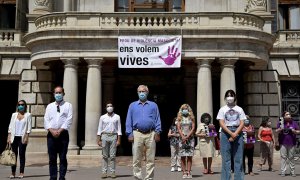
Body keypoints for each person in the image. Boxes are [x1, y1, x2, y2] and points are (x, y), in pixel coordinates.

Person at [125, 85, 162, 180]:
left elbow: (157, 119)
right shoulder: (132, 105)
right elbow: (129, 120)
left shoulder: (153, 105)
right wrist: (129, 133)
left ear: (147, 92)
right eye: (140, 91)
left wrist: (158, 132)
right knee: (136, 158)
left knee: (150, 158)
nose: (142, 93)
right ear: (137, 93)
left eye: (143, 91)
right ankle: (137, 177)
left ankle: (149, 178)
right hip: (137, 133)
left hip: (151, 133)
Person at [44, 86, 73, 180]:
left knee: (63, 157)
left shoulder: (68, 105)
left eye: (60, 93)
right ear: (53, 94)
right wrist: (51, 131)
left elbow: (69, 119)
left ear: (63, 94)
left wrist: (60, 130)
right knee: (52, 158)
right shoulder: (50, 106)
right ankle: (53, 177)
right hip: (51, 135)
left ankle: (62, 177)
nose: (58, 94)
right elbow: (46, 120)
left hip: (63, 134)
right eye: (56, 93)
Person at [216, 89, 246, 180]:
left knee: (238, 159)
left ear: (234, 97)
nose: (230, 97)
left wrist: (235, 133)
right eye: (228, 95)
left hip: (238, 132)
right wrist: (231, 133)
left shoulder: (239, 109)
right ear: (225, 98)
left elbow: (242, 122)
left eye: (231, 95)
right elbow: (221, 122)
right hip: (225, 132)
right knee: (226, 160)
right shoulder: (222, 109)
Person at [7, 100, 32, 179]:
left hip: (22, 137)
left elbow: (29, 128)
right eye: (19, 104)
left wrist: (27, 137)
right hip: (14, 137)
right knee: (13, 156)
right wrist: (8, 137)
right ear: (17, 106)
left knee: (22, 155)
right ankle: (13, 172)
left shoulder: (28, 115)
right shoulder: (14, 115)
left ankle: (21, 172)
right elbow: (10, 126)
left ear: (25, 106)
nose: (21, 106)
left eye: (22, 104)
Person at [97, 102, 122, 179]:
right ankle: (104, 172)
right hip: (104, 135)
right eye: (108, 106)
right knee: (105, 155)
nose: (109, 107)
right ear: (105, 108)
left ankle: (112, 172)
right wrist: (98, 139)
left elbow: (119, 129)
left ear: (113, 107)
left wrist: (119, 140)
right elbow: (99, 128)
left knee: (112, 156)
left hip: (113, 136)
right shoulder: (102, 117)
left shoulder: (117, 117)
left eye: (111, 106)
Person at [276, 111, 300, 177]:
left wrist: (294, 131)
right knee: (283, 157)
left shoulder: (294, 123)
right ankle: (283, 171)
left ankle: (292, 172)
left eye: (289, 114)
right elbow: (276, 131)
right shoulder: (281, 122)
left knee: (291, 157)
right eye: (287, 114)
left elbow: (298, 131)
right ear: (284, 116)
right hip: (283, 142)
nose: (288, 115)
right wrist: (280, 129)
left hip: (292, 142)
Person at [177, 104, 195, 179]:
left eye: (186, 109)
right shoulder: (179, 118)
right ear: (181, 110)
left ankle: (189, 172)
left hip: (190, 138)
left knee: (189, 156)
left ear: (189, 110)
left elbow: (193, 127)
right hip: (182, 138)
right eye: (183, 109)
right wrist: (183, 136)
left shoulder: (191, 118)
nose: (185, 110)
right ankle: (184, 172)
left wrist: (188, 136)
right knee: (183, 156)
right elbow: (178, 128)